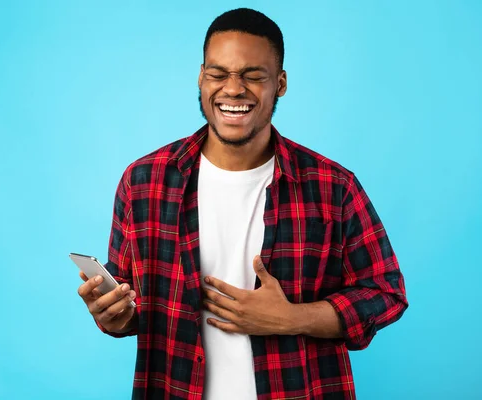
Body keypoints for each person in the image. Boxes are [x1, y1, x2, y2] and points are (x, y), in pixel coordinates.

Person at [77, 7, 408, 400]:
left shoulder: (333, 187)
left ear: (280, 83)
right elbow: (129, 307)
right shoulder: (143, 182)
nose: (233, 89)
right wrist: (112, 315)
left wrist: (292, 319)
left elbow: (386, 294)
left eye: (253, 76)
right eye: (218, 74)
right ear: (201, 78)